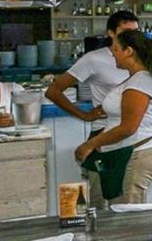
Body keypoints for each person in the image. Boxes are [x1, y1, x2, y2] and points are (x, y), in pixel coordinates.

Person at [47, 10, 140, 200]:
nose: (131, 37)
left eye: (135, 32)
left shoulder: (142, 58)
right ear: (111, 33)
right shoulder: (94, 59)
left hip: (136, 135)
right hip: (104, 133)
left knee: (129, 200)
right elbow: (53, 91)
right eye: (125, 32)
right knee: (101, 198)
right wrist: (84, 115)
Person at [73, 30, 152, 204]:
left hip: (138, 152)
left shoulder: (140, 83)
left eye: (116, 49)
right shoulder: (137, 79)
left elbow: (128, 128)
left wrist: (91, 144)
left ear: (129, 51)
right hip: (129, 151)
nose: (113, 54)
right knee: (119, 207)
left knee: (127, 211)